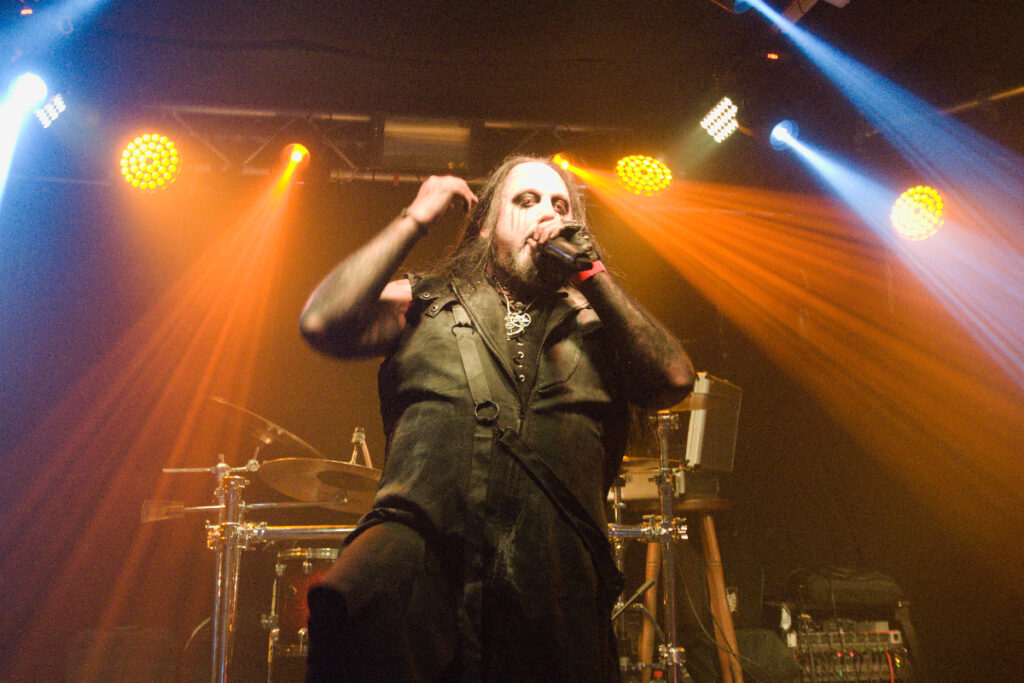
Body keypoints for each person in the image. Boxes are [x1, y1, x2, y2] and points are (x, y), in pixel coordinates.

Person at [299, 155, 695, 681]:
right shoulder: (424, 302)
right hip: (424, 584)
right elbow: (323, 320)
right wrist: (415, 218)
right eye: (526, 201)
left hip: (549, 599)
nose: (547, 214)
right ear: (486, 227)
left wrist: (592, 273)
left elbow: (674, 379)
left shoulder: (597, 327)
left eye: (560, 206)